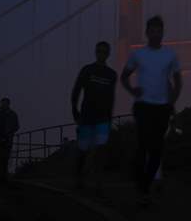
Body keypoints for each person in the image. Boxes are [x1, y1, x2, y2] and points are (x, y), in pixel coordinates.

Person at [120, 15, 182, 206]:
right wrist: (132, 90)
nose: (156, 34)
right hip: (143, 106)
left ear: (163, 33)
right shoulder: (138, 54)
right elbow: (124, 76)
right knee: (143, 147)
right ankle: (143, 186)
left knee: (156, 150)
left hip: (162, 108)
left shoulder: (170, 55)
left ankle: (144, 187)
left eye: (159, 30)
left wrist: (172, 102)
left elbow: (177, 82)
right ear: (147, 33)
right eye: (153, 30)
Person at [71, 41, 118, 194]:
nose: (101, 54)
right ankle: (79, 179)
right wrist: (74, 110)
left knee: (100, 151)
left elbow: (111, 97)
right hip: (87, 116)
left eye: (104, 51)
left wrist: (110, 118)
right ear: (95, 52)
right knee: (83, 150)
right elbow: (76, 90)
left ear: (108, 54)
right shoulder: (87, 70)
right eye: (99, 51)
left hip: (103, 118)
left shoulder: (112, 75)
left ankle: (98, 184)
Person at [0, 97, 19, 182]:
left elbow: (16, 126)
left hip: (7, 139)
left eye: (4, 103)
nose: (3, 105)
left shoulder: (12, 114)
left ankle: (3, 175)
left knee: (4, 157)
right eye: (2, 103)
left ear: (8, 104)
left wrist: (9, 132)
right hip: (0, 139)